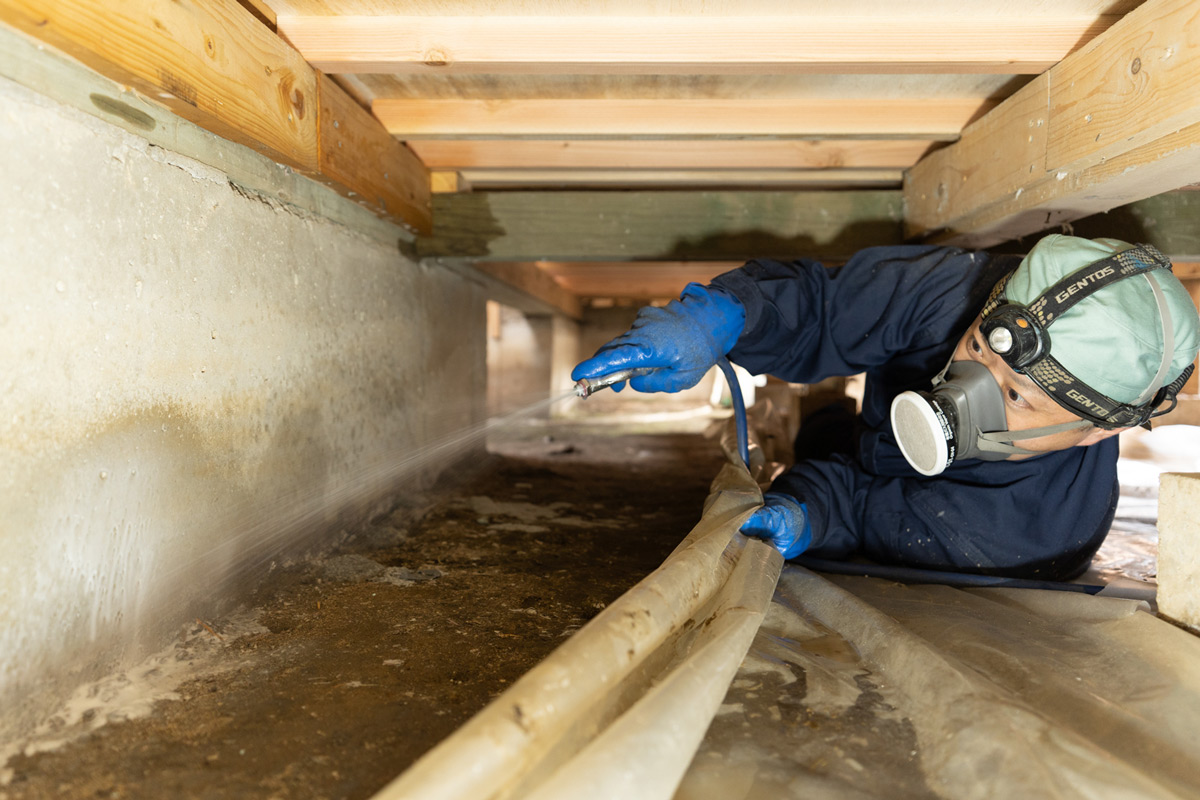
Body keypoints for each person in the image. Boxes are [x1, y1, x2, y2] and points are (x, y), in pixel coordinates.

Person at [572, 236, 1200, 580]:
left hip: (917, 484)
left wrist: (811, 514)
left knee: (825, 453)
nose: (966, 382)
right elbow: (826, 307)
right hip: (880, 424)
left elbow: (864, 507)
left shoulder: (1020, 537)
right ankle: (824, 417)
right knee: (832, 434)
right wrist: (723, 319)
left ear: (1091, 434)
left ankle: (822, 426)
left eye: (1014, 397)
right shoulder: (964, 291)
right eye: (977, 345)